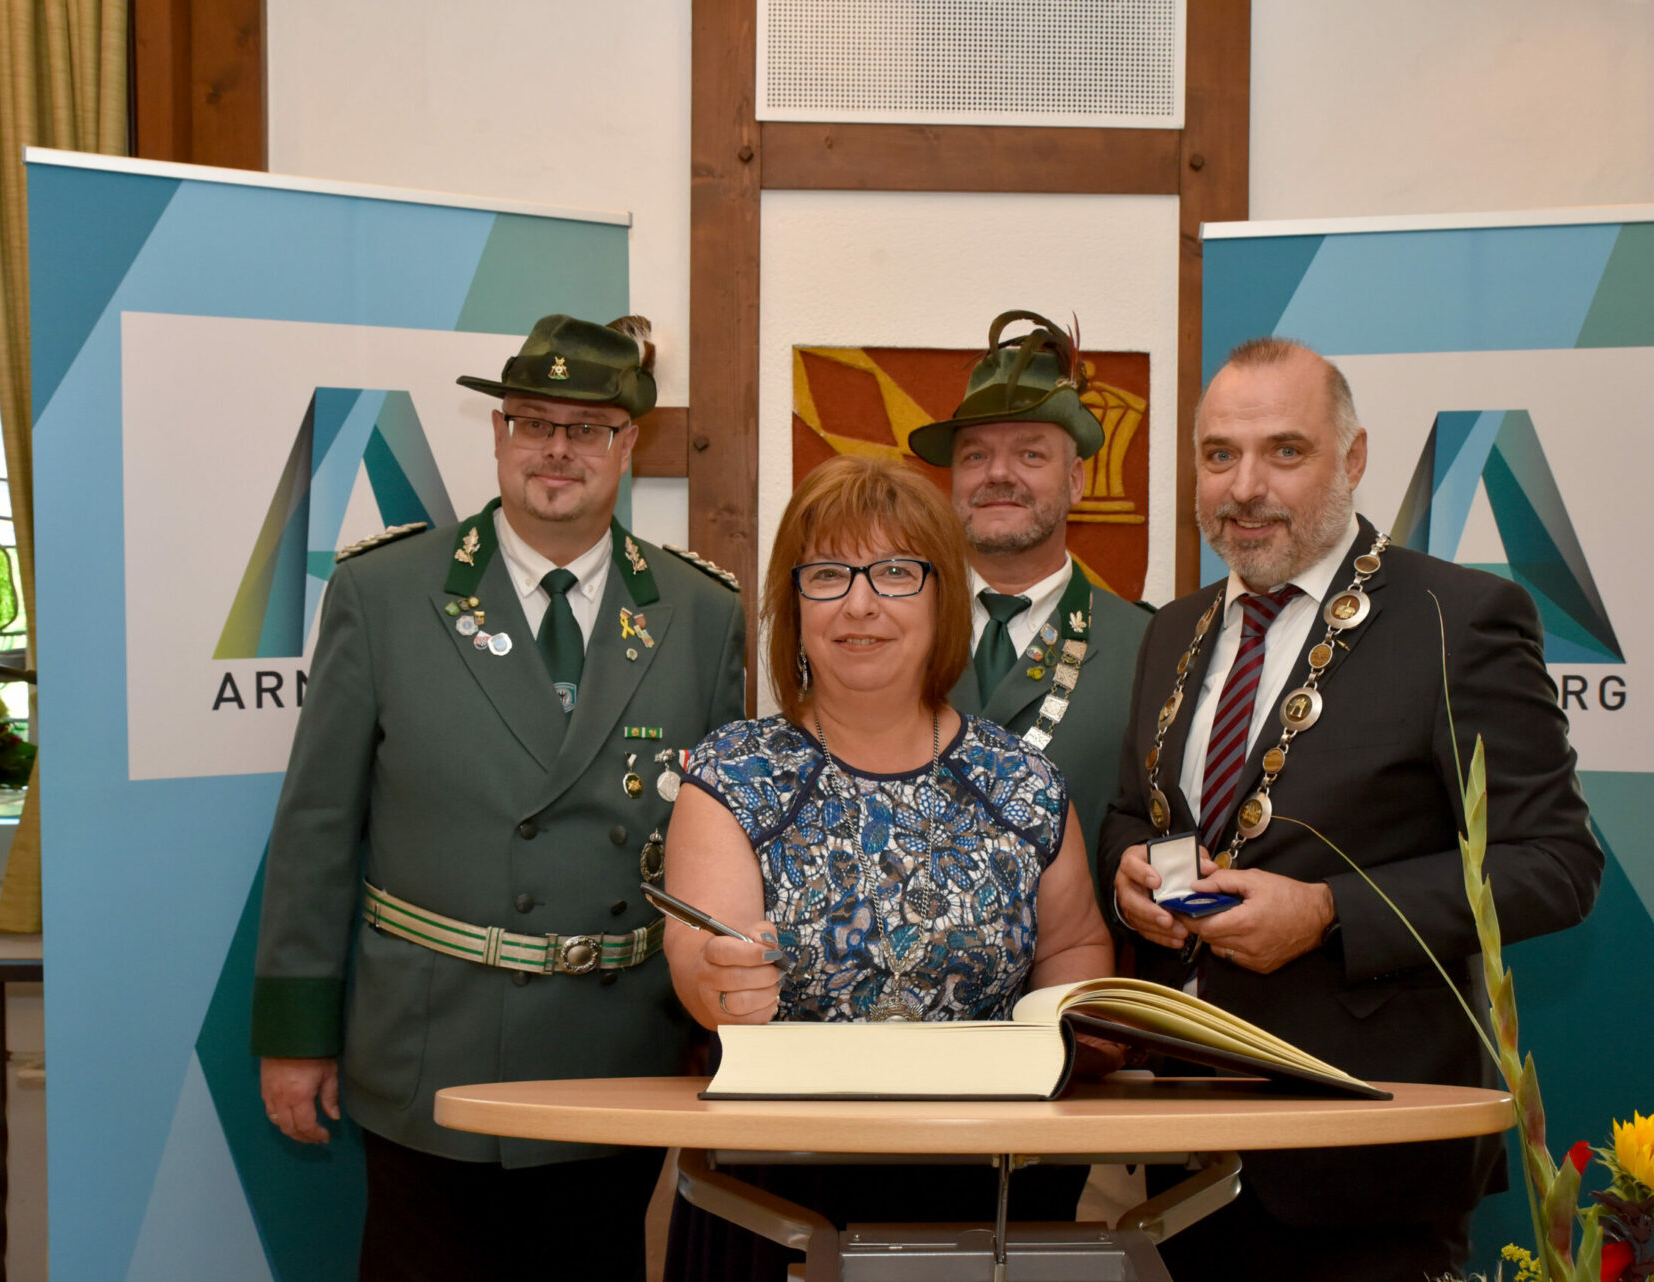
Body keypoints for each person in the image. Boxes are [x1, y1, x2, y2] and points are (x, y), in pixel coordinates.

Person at [249, 313, 746, 1281]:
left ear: (627, 444)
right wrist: (296, 1037)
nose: (557, 449)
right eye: (533, 422)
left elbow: (719, 848)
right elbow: (317, 828)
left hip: (616, 1049)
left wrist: (711, 1030)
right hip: (433, 1049)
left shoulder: (700, 613)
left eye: (587, 428)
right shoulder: (386, 592)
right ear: (497, 433)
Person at [1098, 338, 1602, 1282]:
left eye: (1284, 451)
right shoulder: (1172, 629)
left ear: (1354, 457)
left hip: (1368, 1157)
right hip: (1181, 1147)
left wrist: (1330, 913)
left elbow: (1556, 864)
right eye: (1219, 455)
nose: (1245, 487)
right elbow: (1136, 812)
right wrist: (1128, 873)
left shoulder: (1458, 618)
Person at [661, 454, 1114, 1280]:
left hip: (990, 1186)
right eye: (828, 574)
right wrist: (721, 985)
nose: (860, 603)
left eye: (896, 573)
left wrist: (1066, 1025)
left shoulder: (1024, 783)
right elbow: (700, 961)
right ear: (793, 606)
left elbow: (1074, 948)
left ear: (944, 600)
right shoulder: (733, 775)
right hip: (775, 1192)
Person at [907, 309, 1154, 875]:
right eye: (975, 455)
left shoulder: (1146, 647)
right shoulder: (888, 626)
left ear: (1076, 481)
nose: (998, 474)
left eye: (1030, 454)